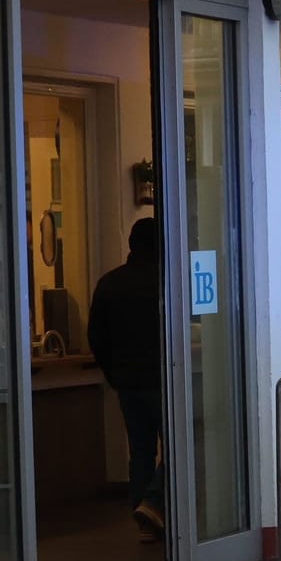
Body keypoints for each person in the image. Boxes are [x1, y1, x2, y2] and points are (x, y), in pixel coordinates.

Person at [88, 216, 166, 541]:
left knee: (141, 450)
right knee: (182, 445)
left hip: (127, 383)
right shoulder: (165, 281)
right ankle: (152, 502)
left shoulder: (110, 283)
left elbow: (96, 336)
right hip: (163, 379)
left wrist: (114, 374)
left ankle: (144, 520)